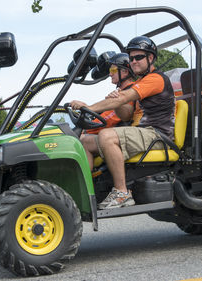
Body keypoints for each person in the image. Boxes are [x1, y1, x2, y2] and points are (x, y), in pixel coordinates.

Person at [70, 36, 175, 209]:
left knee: (106, 136)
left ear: (150, 58)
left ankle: (122, 192)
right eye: (131, 58)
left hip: (157, 134)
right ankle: (86, 192)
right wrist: (118, 104)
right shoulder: (141, 81)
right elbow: (126, 114)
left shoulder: (155, 79)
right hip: (143, 132)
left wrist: (89, 107)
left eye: (138, 57)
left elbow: (124, 98)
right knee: (85, 141)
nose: (134, 61)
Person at [81, 53, 141, 168]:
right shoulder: (120, 92)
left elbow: (110, 119)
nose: (110, 74)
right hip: (115, 133)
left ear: (125, 71)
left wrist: (85, 131)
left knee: (81, 141)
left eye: (113, 70)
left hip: (120, 135)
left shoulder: (129, 93)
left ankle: (86, 183)